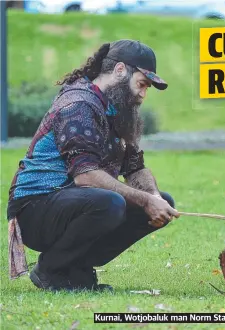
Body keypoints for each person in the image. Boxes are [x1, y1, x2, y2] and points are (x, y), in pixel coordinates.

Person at [7, 39, 180, 292]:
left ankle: (77, 271)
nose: (143, 94)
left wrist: (153, 198)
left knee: (162, 201)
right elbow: (85, 176)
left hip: (74, 202)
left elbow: (135, 167)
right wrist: (144, 200)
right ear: (120, 71)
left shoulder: (115, 110)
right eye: (142, 84)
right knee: (110, 203)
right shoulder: (78, 105)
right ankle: (51, 269)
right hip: (34, 208)